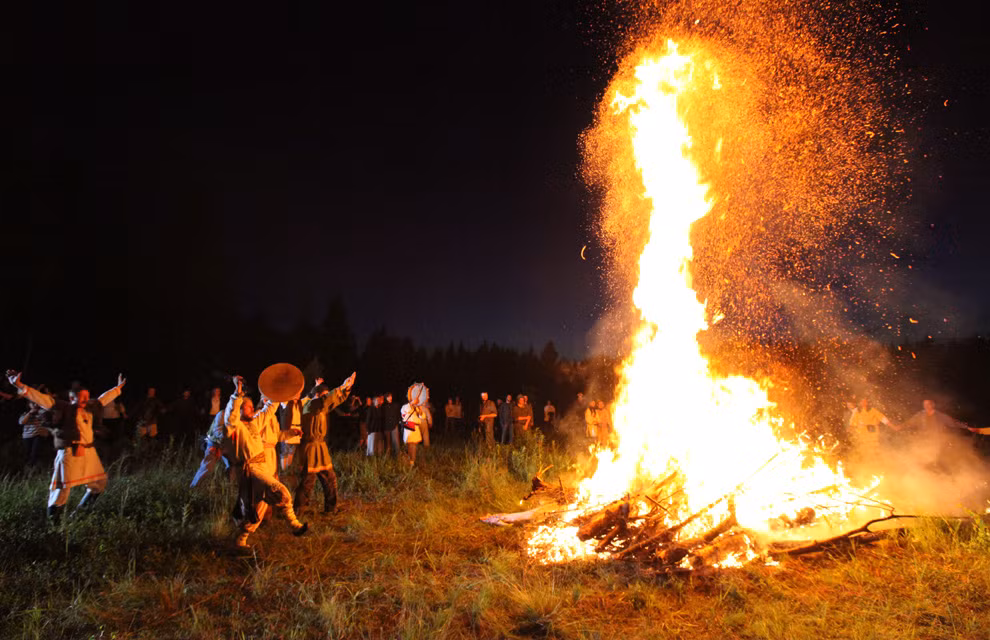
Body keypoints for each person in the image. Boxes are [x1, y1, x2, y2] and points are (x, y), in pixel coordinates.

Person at [7, 370, 125, 521]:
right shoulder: (64, 408)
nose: (84, 400)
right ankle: (55, 526)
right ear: (71, 397)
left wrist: (118, 388)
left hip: (89, 452)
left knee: (99, 483)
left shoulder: (90, 408)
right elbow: (43, 399)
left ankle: (79, 514)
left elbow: (103, 399)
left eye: (86, 397)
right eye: (80, 397)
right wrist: (19, 385)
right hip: (70, 452)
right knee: (62, 490)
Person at [225, 375, 309, 549]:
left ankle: (241, 539)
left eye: (250, 407)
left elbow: (271, 408)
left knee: (259, 504)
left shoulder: (255, 422)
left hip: (262, 466)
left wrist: (279, 389)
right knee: (280, 490)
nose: (251, 409)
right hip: (250, 470)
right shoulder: (236, 426)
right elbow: (230, 416)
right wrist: (237, 393)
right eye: (247, 407)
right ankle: (293, 524)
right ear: (240, 410)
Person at [295, 373, 356, 515]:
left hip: (321, 447)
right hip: (310, 448)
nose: (327, 398)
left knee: (330, 478)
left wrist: (346, 389)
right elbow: (326, 400)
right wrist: (342, 387)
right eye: (324, 395)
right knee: (308, 481)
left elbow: (334, 400)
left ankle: (331, 508)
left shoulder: (320, 405)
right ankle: (299, 510)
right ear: (318, 395)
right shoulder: (310, 405)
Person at [401, 382, 430, 466]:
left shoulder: (417, 408)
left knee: (413, 446)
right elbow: (404, 412)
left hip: (416, 428)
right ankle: (410, 462)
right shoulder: (405, 406)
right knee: (411, 445)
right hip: (409, 427)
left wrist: (420, 411)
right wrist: (412, 403)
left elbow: (422, 416)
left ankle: (411, 461)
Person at [19, 400, 50, 468]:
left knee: (35, 453)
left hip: (39, 435)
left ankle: (33, 467)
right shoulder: (25, 413)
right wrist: (30, 413)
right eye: (33, 403)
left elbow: (47, 419)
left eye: (37, 403)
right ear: (29, 405)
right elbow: (21, 422)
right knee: (27, 453)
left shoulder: (43, 412)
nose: (35, 405)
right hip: (27, 436)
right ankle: (28, 468)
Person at [381, 392, 402, 458]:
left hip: (394, 426)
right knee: (387, 443)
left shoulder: (395, 405)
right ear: (386, 398)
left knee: (396, 442)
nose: (390, 398)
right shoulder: (383, 406)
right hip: (386, 427)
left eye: (391, 396)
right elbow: (382, 417)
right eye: (388, 397)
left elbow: (398, 415)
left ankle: (398, 455)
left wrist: (397, 422)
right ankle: (387, 456)